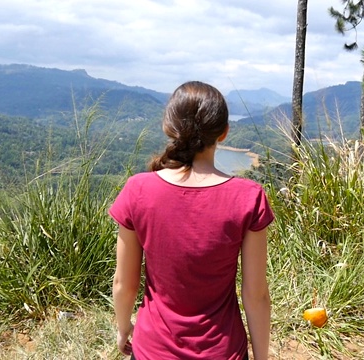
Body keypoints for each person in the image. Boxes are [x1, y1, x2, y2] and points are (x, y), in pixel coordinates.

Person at [109, 81, 274, 360]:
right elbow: (256, 295)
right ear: (224, 133)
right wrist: (261, 357)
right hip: (223, 351)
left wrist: (123, 329)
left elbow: (124, 284)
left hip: (153, 350)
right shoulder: (248, 197)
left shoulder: (138, 190)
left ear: (168, 128)